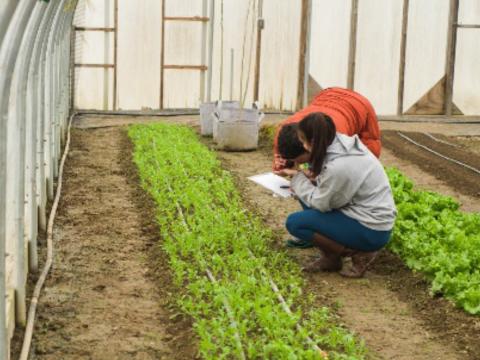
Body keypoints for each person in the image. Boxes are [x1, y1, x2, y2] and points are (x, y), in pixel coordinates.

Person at [275, 113, 396, 278]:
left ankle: (358, 254)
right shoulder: (337, 144)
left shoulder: (339, 165)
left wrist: (298, 179)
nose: (302, 145)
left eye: (303, 141)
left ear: (314, 142)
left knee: (296, 223)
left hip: (371, 228)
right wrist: (307, 179)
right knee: (306, 196)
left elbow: (321, 203)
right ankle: (331, 259)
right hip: (360, 215)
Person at [273, 87, 381, 171]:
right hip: (328, 94)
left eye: (301, 161)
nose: (299, 164)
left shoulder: (335, 138)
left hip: (359, 104)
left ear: (310, 146)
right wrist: (281, 162)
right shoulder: (285, 130)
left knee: (367, 160)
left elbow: (327, 177)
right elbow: (282, 154)